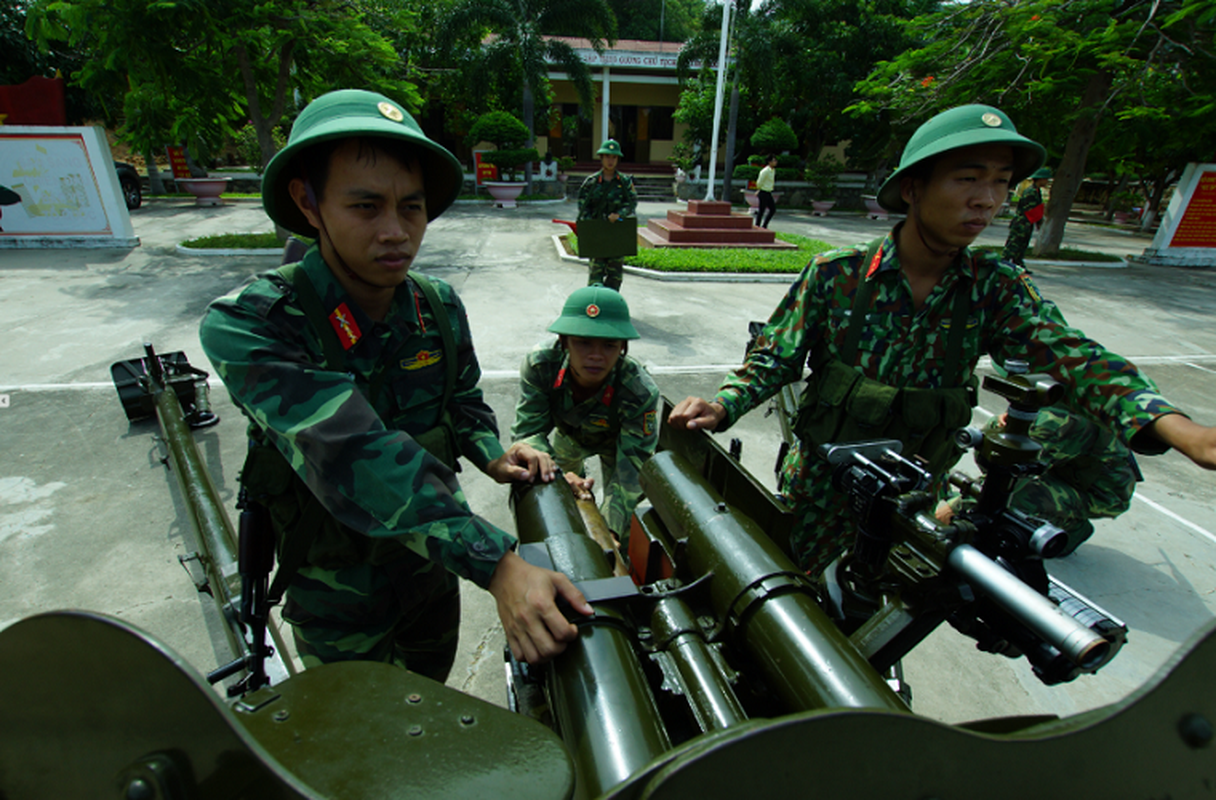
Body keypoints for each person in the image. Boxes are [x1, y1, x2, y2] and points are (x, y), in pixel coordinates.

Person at [669, 104, 1216, 577]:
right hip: (819, 491)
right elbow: (774, 358)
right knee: (795, 600)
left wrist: (1179, 429)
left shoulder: (994, 289)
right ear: (913, 188)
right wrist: (722, 404)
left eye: (1001, 181)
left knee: (877, 619)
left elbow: (1073, 357)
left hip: (914, 501)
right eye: (967, 179)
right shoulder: (837, 276)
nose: (987, 200)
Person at [199, 89, 590, 679]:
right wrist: (497, 564)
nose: (396, 232)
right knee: (362, 750)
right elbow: (353, 452)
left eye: (411, 207)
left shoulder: (438, 307)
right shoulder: (254, 323)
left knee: (431, 710)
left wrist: (493, 452)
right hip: (337, 597)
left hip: (429, 578)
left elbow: (462, 402)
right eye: (365, 207)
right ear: (308, 203)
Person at [511, 285, 660, 547]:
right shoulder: (541, 365)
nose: (596, 355)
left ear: (622, 348)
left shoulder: (638, 391)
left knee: (618, 530)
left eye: (609, 345)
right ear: (564, 341)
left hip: (617, 445)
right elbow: (528, 433)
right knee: (555, 502)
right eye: (583, 342)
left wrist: (608, 532)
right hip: (568, 436)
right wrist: (558, 476)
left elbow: (632, 467)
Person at [577, 139, 638, 291]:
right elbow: (583, 207)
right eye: (607, 157)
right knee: (595, 275)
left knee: (615, 276)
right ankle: (595, 308)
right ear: (602, 158)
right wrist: (592, 226)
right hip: (598, 234)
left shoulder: (624, 182)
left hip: (616, 234)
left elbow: (632, 203)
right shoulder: (591, 183)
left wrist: (619, 214)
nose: (610, 161)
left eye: (614, 157)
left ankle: (611, 307)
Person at [1003, 166, 1051, 266]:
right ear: (1040, 179)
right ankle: (1003, 265)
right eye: (1046, 179)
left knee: (1022, 245)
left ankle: (1018, 264)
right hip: (1021, 223)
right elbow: (1031, 209)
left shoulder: (1036, 191)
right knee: (1013, 245)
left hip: (1027, 223)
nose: (1047, 181)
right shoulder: (1031, 192)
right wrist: (1039, 220)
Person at [755, 155, 778, 229]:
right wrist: (759, 189)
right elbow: (759, 182)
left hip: (768, 192)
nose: (775, 162)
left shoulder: (773, 170)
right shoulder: (765, 171)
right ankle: (757, 225)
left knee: (772, 209)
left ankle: (764, 225)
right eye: (774, 161)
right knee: (761, 210)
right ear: (769, 162)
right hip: (763, 192)